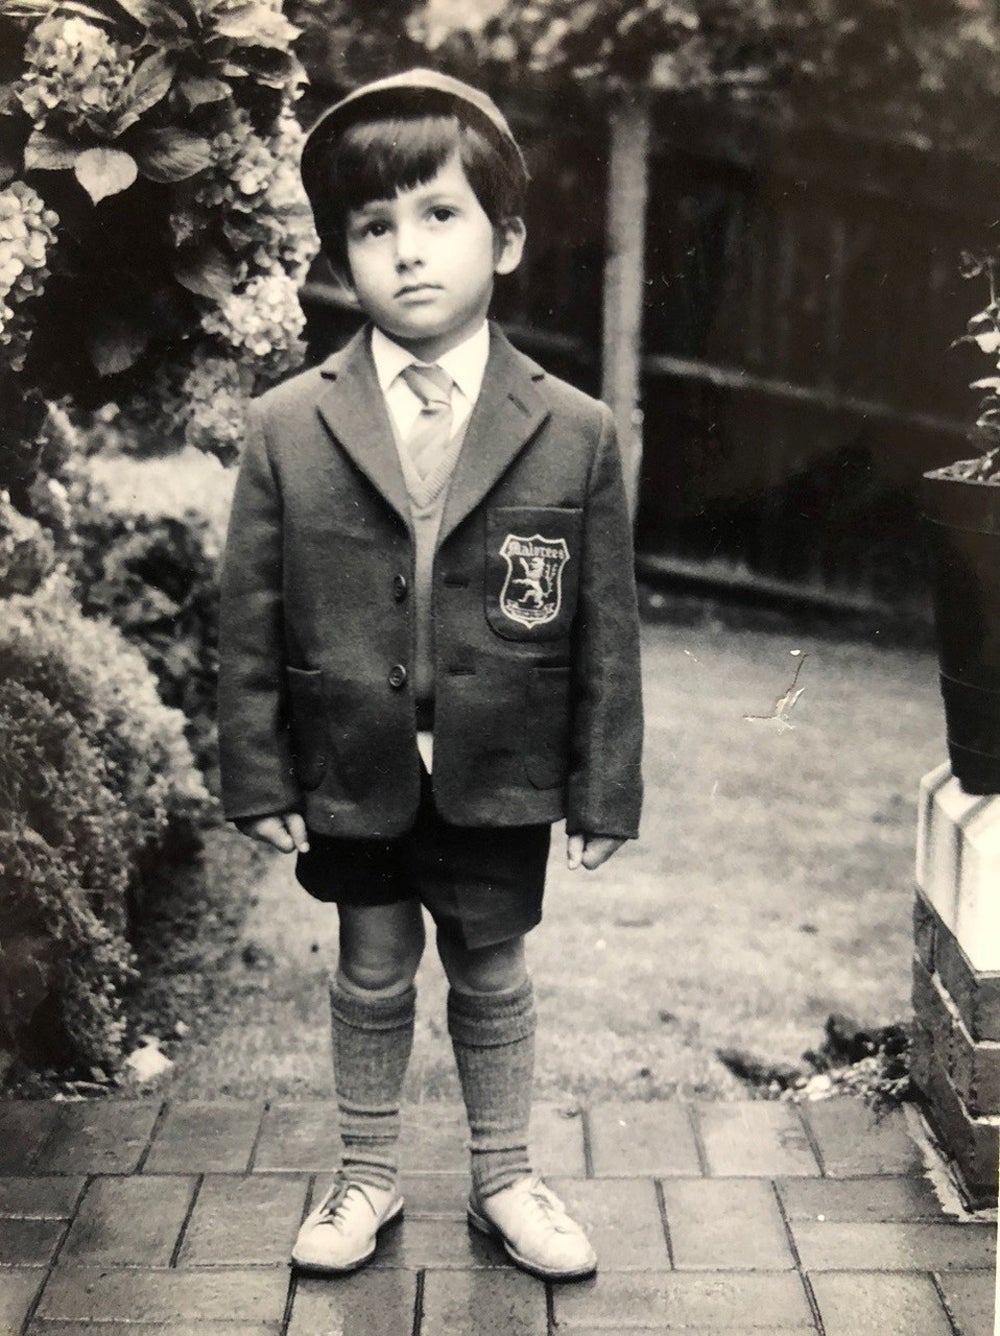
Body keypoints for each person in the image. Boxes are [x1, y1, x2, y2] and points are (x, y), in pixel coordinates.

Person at [218, 68, 643, 1282]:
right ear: (342, 253)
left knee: (495, 962)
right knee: (368, 959)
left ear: (504, 238)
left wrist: (604, 788)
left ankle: (505, 1174)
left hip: (497, 764)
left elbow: (604, 626)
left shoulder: (573, 429)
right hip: (351, 760)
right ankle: (364, 1174)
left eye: (439, 215)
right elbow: (246, 614)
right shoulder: (286, 424)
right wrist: (257, 769)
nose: (406, 253)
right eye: (372, 227)